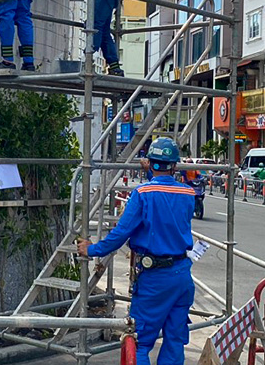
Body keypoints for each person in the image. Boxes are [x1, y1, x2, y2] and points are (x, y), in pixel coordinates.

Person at [77, 137, 195, 365]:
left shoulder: (142, 194)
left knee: (139, 342)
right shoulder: (188, 194)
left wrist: (92, 249)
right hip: (182, 276)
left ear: (150, 162)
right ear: (175, 165)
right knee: (174, 340)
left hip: (154, 280)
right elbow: (166, 194)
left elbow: (120, 234)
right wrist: (153, 175)